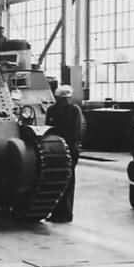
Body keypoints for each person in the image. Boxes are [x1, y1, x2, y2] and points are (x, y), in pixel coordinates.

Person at [44, 84, 85, 224]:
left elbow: (77, 131)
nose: (65, 101)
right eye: (62, 99)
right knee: (56, 181)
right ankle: (56, 212)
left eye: (66, 98)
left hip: (67, 150)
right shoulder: (53, 110)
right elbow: (48, 128)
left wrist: (72, 148)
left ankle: (65, 214)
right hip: (56, 148)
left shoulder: (74, 110)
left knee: (67, 181)